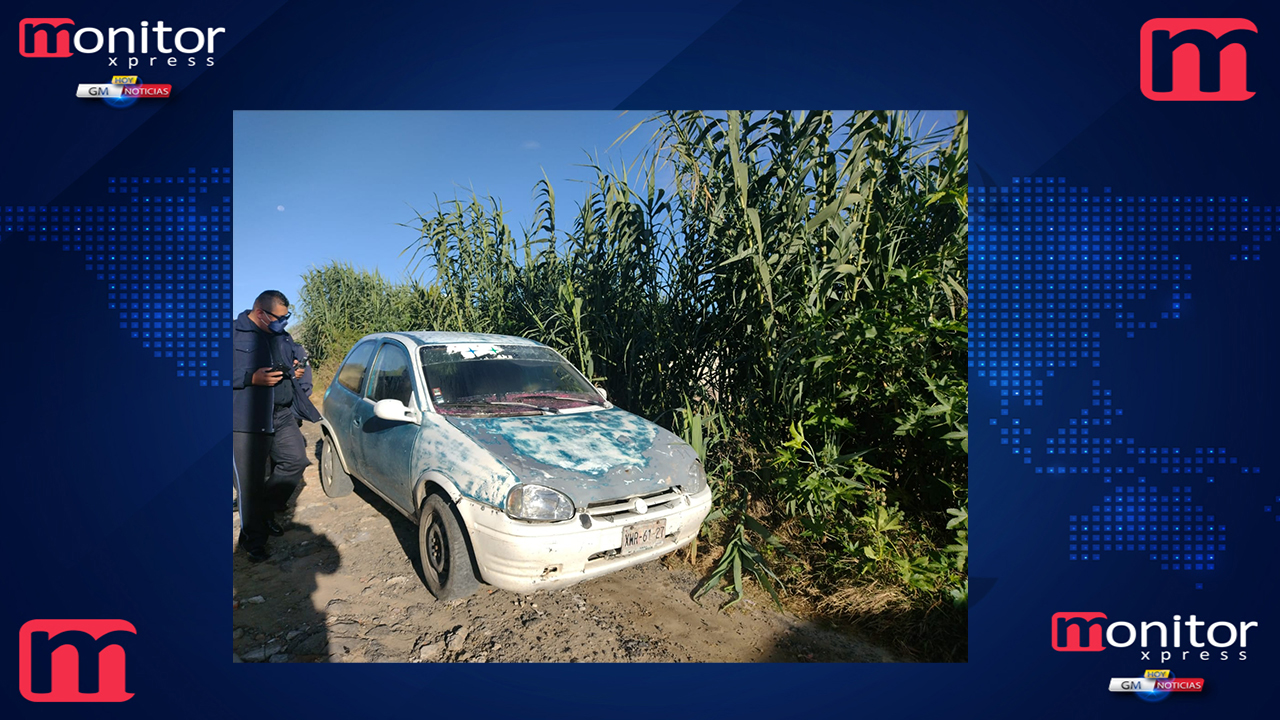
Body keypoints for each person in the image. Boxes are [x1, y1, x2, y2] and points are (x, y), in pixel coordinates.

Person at [232, 290, 319, 562]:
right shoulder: (232, 334)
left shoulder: (282, 336)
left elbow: (294, 364)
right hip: (246, 419)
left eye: (287, 318)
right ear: (260, 313)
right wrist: (249, 378)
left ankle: (265, 512)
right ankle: (253, 540)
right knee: (250, 484)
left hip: (281, 414)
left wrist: (297, 371)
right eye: (279, 318)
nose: (284, 323)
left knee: (295, 461)